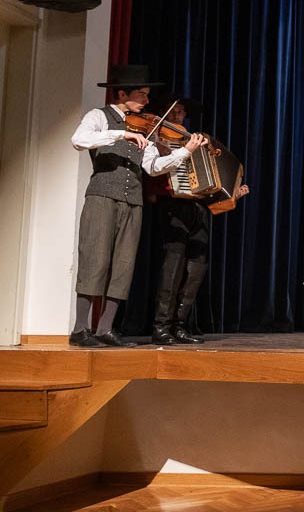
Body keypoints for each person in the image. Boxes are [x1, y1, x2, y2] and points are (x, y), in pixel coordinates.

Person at [68, 65, 206, 347]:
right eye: (141, 94)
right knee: (95, 259)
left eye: (146, 95)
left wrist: (184, 151)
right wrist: (121, 135)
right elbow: (79, 140)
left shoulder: (147, 128)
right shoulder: (99, 116)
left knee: (124, 264)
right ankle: (80, 329)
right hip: (102, 196)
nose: (146, 100)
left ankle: (105, 329)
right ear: (122, 94)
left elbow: (153, 167)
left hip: (133, 201)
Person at [146, 98, 249, 345]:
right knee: (172, 268)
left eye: (181, 112)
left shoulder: (195, 139)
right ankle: (161, 327)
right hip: (172, 205)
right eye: (173, 112)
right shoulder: (157, 139)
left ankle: (180, 326)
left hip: (197, 208)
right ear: (163, 113)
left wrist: (231, 195)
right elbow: (154, 170)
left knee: (196, 269)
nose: (178, 116)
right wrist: (184, 151)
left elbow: (208, 182)